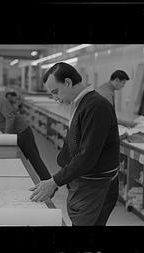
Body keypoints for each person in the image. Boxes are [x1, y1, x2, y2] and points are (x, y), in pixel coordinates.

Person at [30, 62, 120, 226]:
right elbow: (76, 146)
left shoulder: (96, 106)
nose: (55, 98)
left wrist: (55, 181)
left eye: (55, 92)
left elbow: (87, 156)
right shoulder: (81, 104)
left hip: (95, 185)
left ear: (68, 82)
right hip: (85, 181)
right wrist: (61, 176)